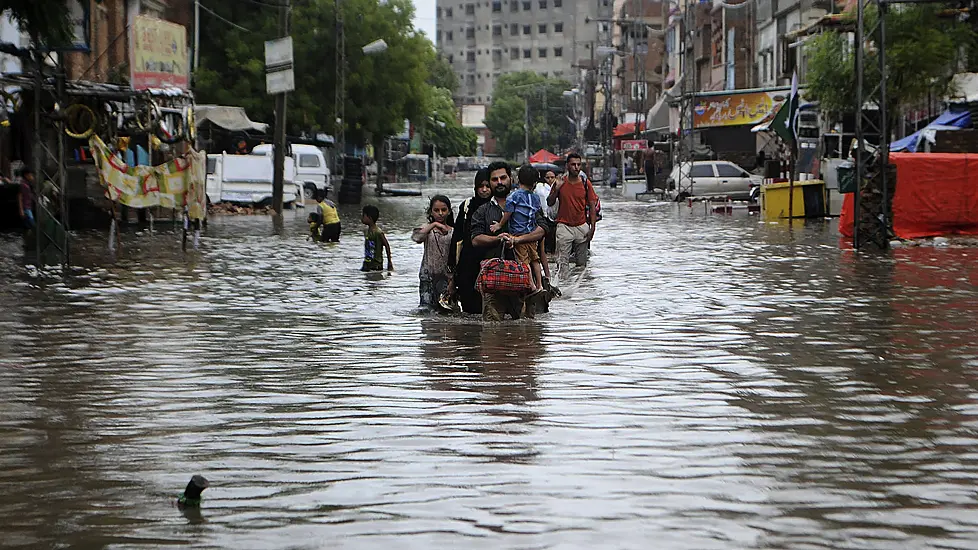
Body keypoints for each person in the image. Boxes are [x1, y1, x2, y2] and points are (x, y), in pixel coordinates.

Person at [471, 161, 547, 321]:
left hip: (525, 285)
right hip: (494, 282)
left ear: (511, 179)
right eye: (494, 179)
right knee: (492, 333)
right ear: (490, 183)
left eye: (503, 178)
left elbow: (542, 229)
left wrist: (518, 239)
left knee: (528, 333)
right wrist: (497, 238)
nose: (499, 182)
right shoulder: (483, 210)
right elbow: (476, 239)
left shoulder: (530, 202)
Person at [490, 164, 544, 295]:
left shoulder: (514, 196)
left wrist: (499, 225)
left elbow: (508, 213)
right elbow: (537, 213)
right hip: (531, 234)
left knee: (524, 262)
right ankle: (540, 285)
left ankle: (531, 285)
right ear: (534, 183)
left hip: (518, 235)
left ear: (518, 180)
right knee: (535, 260)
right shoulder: (536, 197)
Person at [448, 169, 493, 314]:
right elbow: (457, 237)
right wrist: (453, 270)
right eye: (481, 186)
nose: (484, 190)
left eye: (487, 186)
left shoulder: (500, 207)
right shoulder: (467, 206)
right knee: (469, 311)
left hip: (491, 262)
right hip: (467, 264)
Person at [547, 152, 598, 273]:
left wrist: (592, 229)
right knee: (562, 264)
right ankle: (564, 289)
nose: (576, 167)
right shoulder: (560, 182)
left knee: (582, 265)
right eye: (573, 164)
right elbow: (549, 202)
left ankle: (580, 290)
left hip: (581, 226)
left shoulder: (586, 183)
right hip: (564, 227)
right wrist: (557, 189)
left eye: (578, 164)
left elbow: (592, 207)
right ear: (567, 166)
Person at [411, 195, 454, 310]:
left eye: (444, 210)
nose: (440, 213)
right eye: (436, 210)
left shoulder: (453, 232)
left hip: (446, 276)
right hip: (427, 275)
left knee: (446, 309)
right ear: (431, 212)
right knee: (426, 309)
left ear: (449, 211)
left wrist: (453, 278)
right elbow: (416, 238)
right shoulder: (427, 229)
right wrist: (434, 225)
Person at [360, 204, 392, 271]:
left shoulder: (378, 232)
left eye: (363, 216)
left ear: (370, 218)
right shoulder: (367, 231)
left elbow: (386, 245)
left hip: (376, 265)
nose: (361, 218)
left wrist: (389, 262)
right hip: (367, 263)